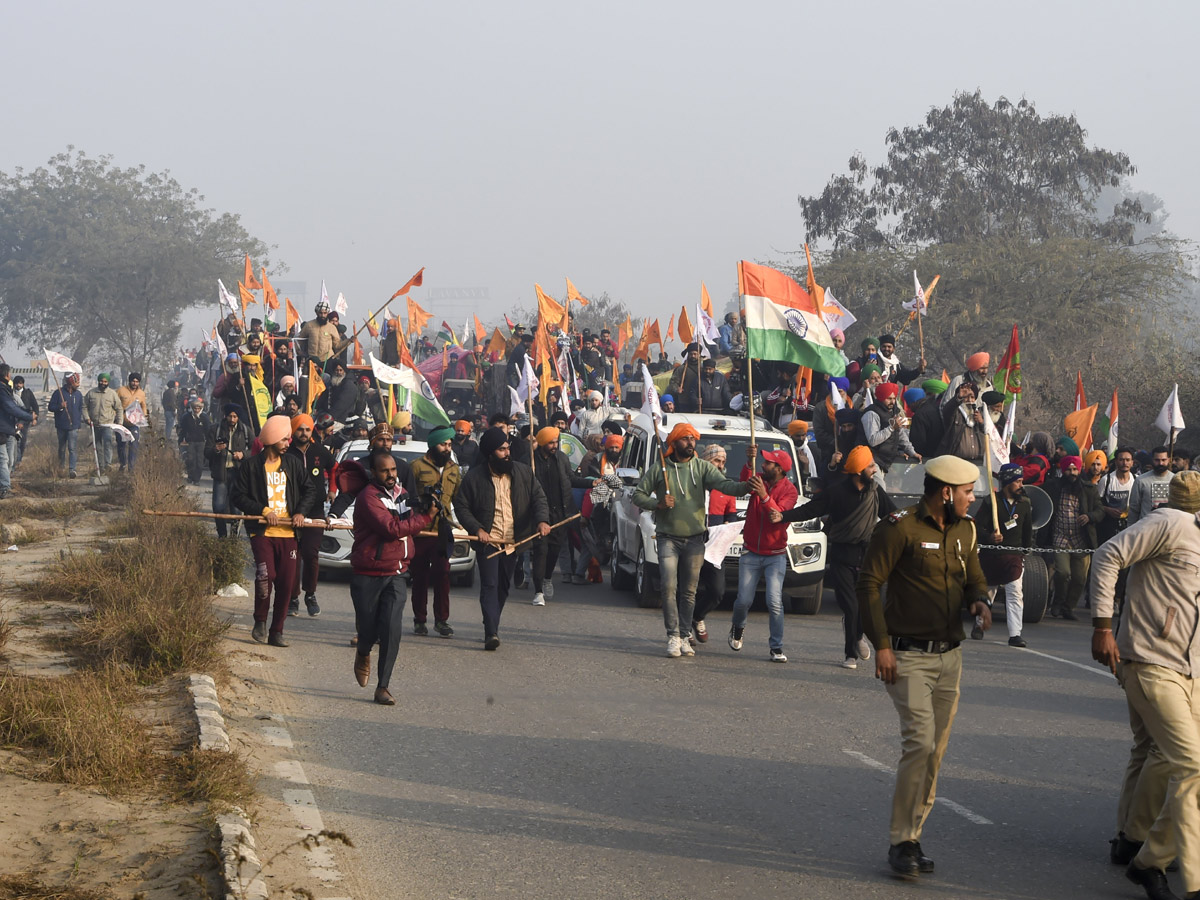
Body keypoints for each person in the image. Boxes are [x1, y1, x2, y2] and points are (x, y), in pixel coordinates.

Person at [858, 455, 993, 877]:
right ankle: (901, 842)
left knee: (935, 752)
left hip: (950, 656)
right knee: (919, 742)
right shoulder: (898, 527)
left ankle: (913, 837)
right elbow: (869, 584)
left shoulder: (966, 530)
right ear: (946, 493)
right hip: (908, 657)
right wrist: (881, 645)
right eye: (968, 493)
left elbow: (974, 575)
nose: (973, 499)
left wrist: (980, 600)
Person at [1090, 471, 1200, 900]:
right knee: (1189, 764)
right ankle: (1156, 862)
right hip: (1152, 660)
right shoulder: (1168, 522)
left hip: (1187, 668)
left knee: (1154, 751)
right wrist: (1102, 626)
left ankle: (1132, 838)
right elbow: (1106, 555)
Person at [632, 422, 752, 657]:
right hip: (667, 538)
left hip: (696, 539)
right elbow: (638, 495)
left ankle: (685, 634)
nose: (691, 443)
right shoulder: (661, 469)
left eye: (693, 439)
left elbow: (726, 485)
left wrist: (748, 484)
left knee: (689, 592)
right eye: (686, 439)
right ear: (674, 442)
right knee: (668, 587)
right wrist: (657, 504)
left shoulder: (702, 468)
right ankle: (673, 636)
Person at [775, 445, 895, 668]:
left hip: (868, 555)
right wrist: (782, 516)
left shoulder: (875, 491)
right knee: (851, 606)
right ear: (859, 471)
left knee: (866, 607)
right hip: (842, 555)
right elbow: (810, 510)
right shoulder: (836, 491)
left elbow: (893, 515)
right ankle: (850, 654)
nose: (874, 469)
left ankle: (858, 634)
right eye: (870, 466)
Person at [349, 447, 434, 706]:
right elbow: (391, 529)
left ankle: (383, 686)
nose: (391, 475)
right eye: (384, 470)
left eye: (394, 470)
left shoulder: (403, 495)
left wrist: (424, 507)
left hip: (397, 573)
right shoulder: (368, 497)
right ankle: (363, 651)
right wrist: (426, 518)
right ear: (373, 472)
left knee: (391, 629)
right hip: (367, 573)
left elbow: (409, 525)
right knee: (369, 631)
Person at [452, 428, 549, 649]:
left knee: (503, 588)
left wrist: (542, 520)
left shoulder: (523, 473)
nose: (507, 453)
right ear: (489, 453)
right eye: (501, 449)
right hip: (489, 542)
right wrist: (477, 529)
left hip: (512, 543)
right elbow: (462, 506)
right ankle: (491, 632)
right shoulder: (474, 477)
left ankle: (491, 621)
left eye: (508, 448)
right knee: (489, 585)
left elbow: (538, 498)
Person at [229, 414, 319, 648]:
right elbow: (237, 496)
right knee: (265, 577)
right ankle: (260, 621)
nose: (288, 443)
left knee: (287, 585)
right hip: (263, 534)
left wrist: (300, 512)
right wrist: (262, 509)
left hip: (289, 535)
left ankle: (276, 631)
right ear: (271, 439)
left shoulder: (293, 464)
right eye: (284, 439)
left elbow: (310, 490)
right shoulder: (251, 466)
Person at [728, 449, 798, 662]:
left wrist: (765, 496)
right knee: (743, 600)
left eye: (767, 463)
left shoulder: (790, 491)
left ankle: (776, 647)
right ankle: (738, 628)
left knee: (774, 602)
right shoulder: (758, 479)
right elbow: (742, 483)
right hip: (750, 551)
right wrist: (749, 463)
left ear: (779, 469)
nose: (763, 465)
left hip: (775, 554)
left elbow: (778, 516)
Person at [408, 425, 461, 637]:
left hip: (442, 531)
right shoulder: (415, 467)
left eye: (449, 444)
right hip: (420, 530)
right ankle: (419, 620)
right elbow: (408, 498)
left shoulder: (454, 469)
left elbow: (459, 499)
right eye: (443, 444)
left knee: (443, 574)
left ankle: (442, 620)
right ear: (433, 445)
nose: (447, 448)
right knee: (419, 577)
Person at [972, 463, 1033, 646]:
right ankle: (979, 624)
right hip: (991, 556)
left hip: (1013, 556)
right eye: (1018, 481)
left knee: (1015, 593)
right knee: (988, 592)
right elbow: (977, 526)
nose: (1021, 485)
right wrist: (989, 537)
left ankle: (1015, 634)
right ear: (1007, 482)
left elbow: (1027, 531)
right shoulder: (991, 501)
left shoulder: (1025, 504)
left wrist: (1026, 550)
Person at [530, 427, 592, 606]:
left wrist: (591, 482)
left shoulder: (562, 459)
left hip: (560, 514)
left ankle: (547, 578)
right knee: (541, 551)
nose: (554, 446)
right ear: (542, 443)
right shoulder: (531, 461)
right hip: (538, 513)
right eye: (550, 442)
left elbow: (572, 479)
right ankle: (538, 591)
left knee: (554, 550)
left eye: (556, 442)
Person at [689, 443, 740, 644]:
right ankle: (683, 631)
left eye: (723, 462)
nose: (720, 465)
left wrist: (729, 524)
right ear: (706, 461)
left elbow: (732, 516)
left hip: (715, 548)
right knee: (687, 589)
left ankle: (697, 616)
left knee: (717, 591)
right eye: (716, 460)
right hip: (692, 543)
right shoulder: (693, 483)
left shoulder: (726, 487)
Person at [285, 413, 335, 617]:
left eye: (307, 429)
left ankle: (310, 594)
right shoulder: (286, 452)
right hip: (290, 512)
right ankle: (293, 598)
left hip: (315, 511)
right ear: (293, 431)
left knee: (311, 554)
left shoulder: (319, 451)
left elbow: (335, 468)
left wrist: (332, 489)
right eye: (300, 429)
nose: (304, 433)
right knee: (293, 556)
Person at [1043, 456, 1103, 620]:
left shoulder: (1089, 489)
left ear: (1080, 470)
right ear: (1063, 471)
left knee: (1079, 578)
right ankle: (1058, 602)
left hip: (1081, 539)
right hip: (1060, 537)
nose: (1072, 473)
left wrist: (1089, 516)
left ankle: (1068, 607)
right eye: (1068, 470)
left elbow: (1100, 510)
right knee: (1063, 573)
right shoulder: (1054, 487)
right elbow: (1040, 500)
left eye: (1075, 469)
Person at [204, 405, 253, 538]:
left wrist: (243, 455)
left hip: (238, 475)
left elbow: (254, 451)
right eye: (230, 416)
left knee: (236, 509)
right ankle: (222, 535)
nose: (232, 419)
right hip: (221, 474)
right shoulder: (216, 430)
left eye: (235, 416)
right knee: (218, 507)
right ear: (225, 416)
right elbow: (207, 452)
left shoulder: (245, 431)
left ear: (238, 417)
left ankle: (233, 537)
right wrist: (217, 449)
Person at [862, 382, 921, 472]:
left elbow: (901, 434)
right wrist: (891, 428)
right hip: (873, 460)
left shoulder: (893, 412)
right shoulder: (871, 414)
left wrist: (912, 452)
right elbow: (873, 440)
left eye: (894, 398)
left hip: (887, 460)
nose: (892, 402)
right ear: (881, 398)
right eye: (889, 398)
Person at [0, 365, 33, 499]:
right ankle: (5, 488)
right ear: (6, 375)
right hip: (2, 430)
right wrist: (29, 417)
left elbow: (18, 407)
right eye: (10, 374)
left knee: (9, 459)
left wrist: (24, 417)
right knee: (3, 459)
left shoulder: (8, 391)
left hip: (9, 430)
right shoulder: (2, 391)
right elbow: (11, 408)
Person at [937, 380, 986, 462]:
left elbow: (989, 433)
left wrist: (981, 422)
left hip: (977, 463)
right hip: (956, 462)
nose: (969, 400)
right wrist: (958, 397)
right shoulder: (956, 414)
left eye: (972, 397)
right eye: (966, 397)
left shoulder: (979, 414)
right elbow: (947, 411)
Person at [83, 372, 123, 472]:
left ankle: (108, 464)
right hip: (95, 424)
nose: (103, 383)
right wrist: (86, 418)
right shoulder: (91, 393)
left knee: (108, 443)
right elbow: (84, 406)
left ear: (108, 382)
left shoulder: (112, 394)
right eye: (101, 381)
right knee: (98, 446)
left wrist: (120, 422)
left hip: (107, 424)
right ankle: (100, 466)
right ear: (98, 381)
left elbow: (119, 408)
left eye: (105, 381)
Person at [1098, 447, 1137, 544]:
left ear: (1132, 462)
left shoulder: (1137, 480)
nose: (1124, 463)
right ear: (1116, 461)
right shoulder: (1106, 480)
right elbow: (1096, 503)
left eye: (1128, 460)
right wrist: (1108, 509)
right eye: (1121, 460)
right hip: (1109, 527)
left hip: (1130, 525)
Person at [48, 372, 84, 477]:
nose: (78, 384)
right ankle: (61, 467)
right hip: (61, 425)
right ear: (71, 382)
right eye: (76, 382)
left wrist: (78, 424)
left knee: (72, 448)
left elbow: (80, 409)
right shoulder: (58, 393)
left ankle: (72, 469)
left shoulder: (78, 394)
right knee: (62, 448)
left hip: (74, 426)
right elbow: (51, 407)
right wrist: (60, 406)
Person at [1128, 447, 1175, 525]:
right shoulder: (1141, 480)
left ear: (1169, 460)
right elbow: (1134, 509)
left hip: (1169, 528)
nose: (1160, 463)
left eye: (1163, 460)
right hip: (1146, 528)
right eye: (1157, 460)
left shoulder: (1175, 480)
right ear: (1152, 460)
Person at [116, 372, 149, 473]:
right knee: (121, 444)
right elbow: (115, 404)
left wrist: (144, 416)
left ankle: (131, 468)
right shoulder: (121, 391)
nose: (135, 383)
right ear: (129, 381)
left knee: (134, 445)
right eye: (133, 381)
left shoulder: (141, 393)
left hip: (134, 424)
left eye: (137, 381)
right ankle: (123, 463)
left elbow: (144, 406)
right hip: (121, 423)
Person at [178, 398, 212, 484]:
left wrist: (210, 442)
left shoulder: (204, 418)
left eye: (198, 408)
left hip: (201, 442)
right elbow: (183, 430)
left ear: (201, 409)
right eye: (195, 408)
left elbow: (208, 431)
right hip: (190, 442)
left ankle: (197, 479)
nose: (196, 410)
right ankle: (190, 476)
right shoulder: (186, 417)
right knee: (190, 460)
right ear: (192, 408)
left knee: (199, 462)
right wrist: (181, 440)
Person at [297, 299, 341, 366]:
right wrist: (298, 351)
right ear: (317, 313)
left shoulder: (332, 328)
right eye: (320, 313)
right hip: (312, 360)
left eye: (325, 313)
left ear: (327, 313)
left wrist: (348, 341)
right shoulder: (309, 325)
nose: (322, 315)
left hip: (327, 360)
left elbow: (337, 345)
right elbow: (299, 340)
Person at [10, 375, 38, 469]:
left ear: (23, 384)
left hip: (25, 421)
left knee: (22, 441)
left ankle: (19, 458)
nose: (19, 385)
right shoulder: (10, 393)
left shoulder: (28, 393)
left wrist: (34, 418)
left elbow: (35, 406)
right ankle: (15, 461)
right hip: (13, 421)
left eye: (20, 383)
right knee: (15, 441)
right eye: (17, 383)